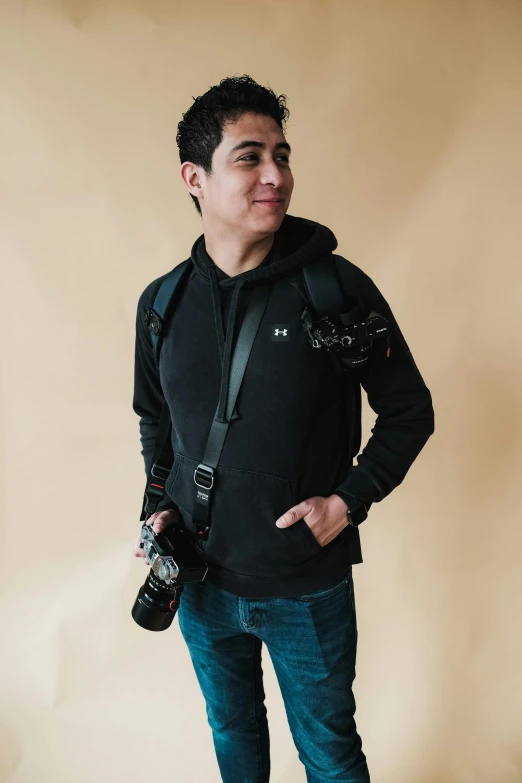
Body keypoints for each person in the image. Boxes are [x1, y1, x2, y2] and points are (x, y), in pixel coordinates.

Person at [132, 74, 435, 783]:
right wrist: (156, 505)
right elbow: (157, 421)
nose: (277, 175)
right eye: (249, 156)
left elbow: (409, 411)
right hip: (200, 585)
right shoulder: (162, 305)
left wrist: (348, 501)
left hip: (305, 587)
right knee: (233, 735)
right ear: (195, 177)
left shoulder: (335, 289)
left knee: (329, 752)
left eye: (283, 154)